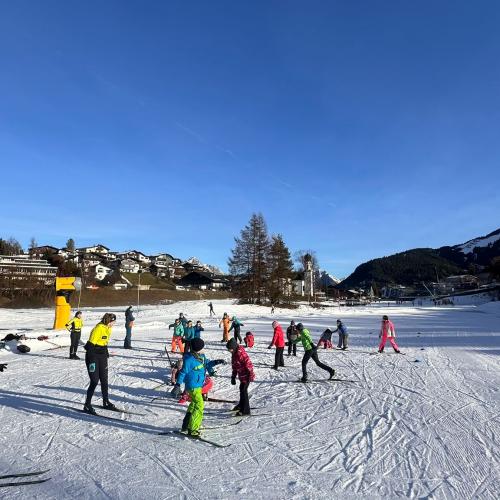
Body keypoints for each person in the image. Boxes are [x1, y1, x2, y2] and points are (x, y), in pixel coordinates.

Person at [171, 338, 211, 437]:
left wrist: (216, 362)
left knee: (193, 404)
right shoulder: (189, 359)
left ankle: (186, 425)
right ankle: (193, 429)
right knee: (199, 406)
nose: (203, 350)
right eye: (202, 348)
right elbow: (183, 373)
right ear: (198, 349)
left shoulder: (201, 356)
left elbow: (207, 363)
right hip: (193, 386)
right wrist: (177, 385)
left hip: (198, 385)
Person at [83, 313, 117, 414]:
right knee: (94, 380)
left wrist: (106, 352)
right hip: (92, 355)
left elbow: (104, 342)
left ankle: (105, 401)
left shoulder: (108, 328)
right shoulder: (98, 328)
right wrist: (91, 359)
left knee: (104, 379)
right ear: (108, 321)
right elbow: (89, 345)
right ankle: (87, 404)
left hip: (102, 355)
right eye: (112, 322)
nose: (113, 324)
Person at [226, 338, 255, 416]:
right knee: (241, 389)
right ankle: (241, 405)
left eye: (230, 349)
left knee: (244, 391)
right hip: (242, 376)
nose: (229, 351)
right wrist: (233, 377)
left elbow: (249, 364)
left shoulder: (240, 354)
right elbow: (234, 366)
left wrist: (251, 375)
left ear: (234, 347)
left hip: (246, 376)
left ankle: (246, 410)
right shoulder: (234, 354)